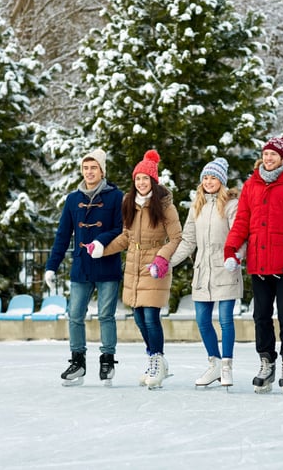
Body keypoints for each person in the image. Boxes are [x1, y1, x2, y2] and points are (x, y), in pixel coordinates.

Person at [88, 149, 182, 389]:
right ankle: (154, 359)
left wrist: (162, 258)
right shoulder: (129, 203)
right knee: (139, 318)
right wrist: (103, 249)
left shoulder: (164, 205)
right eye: (138, 178)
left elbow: (176, 238)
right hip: (133, 264)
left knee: (151, 316)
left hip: (154, 266)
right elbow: (125, 238)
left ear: (153, 180)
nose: (141, 182)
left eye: (145, 178)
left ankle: (157, 362)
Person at [223, 137, 283, 394]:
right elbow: (242, 222)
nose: (269, 158)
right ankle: (266, 361)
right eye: (266, 154)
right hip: (259, 264)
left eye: (274, 154)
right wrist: (232, 247)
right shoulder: (251, 185)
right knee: (260, 316)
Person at [44, 149, 124, 387]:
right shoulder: (72, 199)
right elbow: (62, 235)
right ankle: (78, 361)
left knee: (106, 314)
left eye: (94, 168)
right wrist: (51, 266)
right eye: (85, 168)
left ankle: (107, 360)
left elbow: (122, 229)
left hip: (107, 264)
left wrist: (101, 240)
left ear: (102, 171)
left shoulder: (115, 196)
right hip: (81, 266)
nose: (89, 172)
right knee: (75, 314)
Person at [170, 157, 243, 388]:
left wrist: (235, 257)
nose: (209, 181)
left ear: (221, 181)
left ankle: (227, 367)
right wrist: (168, 262)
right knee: (202, 320)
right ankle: (214, 364)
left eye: (213, 177)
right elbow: (188, 240)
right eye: (205, 178)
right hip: (203, 271)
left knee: (225, 319)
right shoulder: (197, 206)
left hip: (226, 268)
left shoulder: (232, 205)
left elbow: (240, 236)